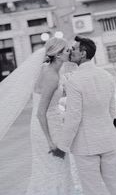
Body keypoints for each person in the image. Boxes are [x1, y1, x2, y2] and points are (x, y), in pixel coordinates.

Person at [0, 37, 78, 195]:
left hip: (50, 124)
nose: (70, 52)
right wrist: (50, 142)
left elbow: (48, 102)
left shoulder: (47, 68)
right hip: (48, 129)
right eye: (67, 50)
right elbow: (41, 112)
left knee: (50, 169)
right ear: (58, 55)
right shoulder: (52, 76)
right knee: (56, 169)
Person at [53, 36, 116, 195]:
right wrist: (104, 129)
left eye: (74, 49)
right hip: (109, 141)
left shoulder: (74, 80)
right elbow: (111, 110)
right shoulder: (106, 76)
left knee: (93, 190)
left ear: (83, 53)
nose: (71, 52)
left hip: (86, 147)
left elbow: (73, 117)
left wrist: (62, 147)